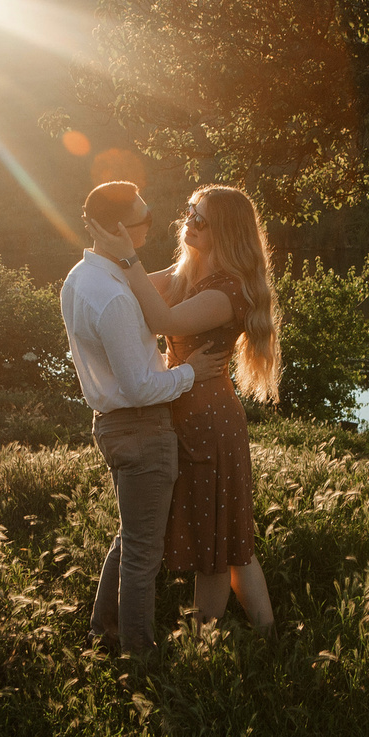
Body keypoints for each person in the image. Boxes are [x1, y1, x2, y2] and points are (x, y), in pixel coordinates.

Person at [90, 183, 278, 635]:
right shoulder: (185, 273)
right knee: (218, 534)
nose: (188, 222)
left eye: (202, 219)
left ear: (226, 232)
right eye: (190, 211)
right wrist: (103, 257)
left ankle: (211, 641)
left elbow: (164, 321)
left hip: (210, 420)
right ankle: (251, 637)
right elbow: (130, 297)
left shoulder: (227, 291)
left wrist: (129, 259)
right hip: (179, 408)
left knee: (220, 538)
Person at [61, 180, 225, 659]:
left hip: (114, 426)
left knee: (129, 538)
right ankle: (139, 655)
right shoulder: (111, 297)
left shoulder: (82, 277)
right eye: (144, 220)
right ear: (118, 230)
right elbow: (136, 387)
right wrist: (190, 373)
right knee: (142, 556)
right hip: (140, 426)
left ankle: (103, 631)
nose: (152, 225)